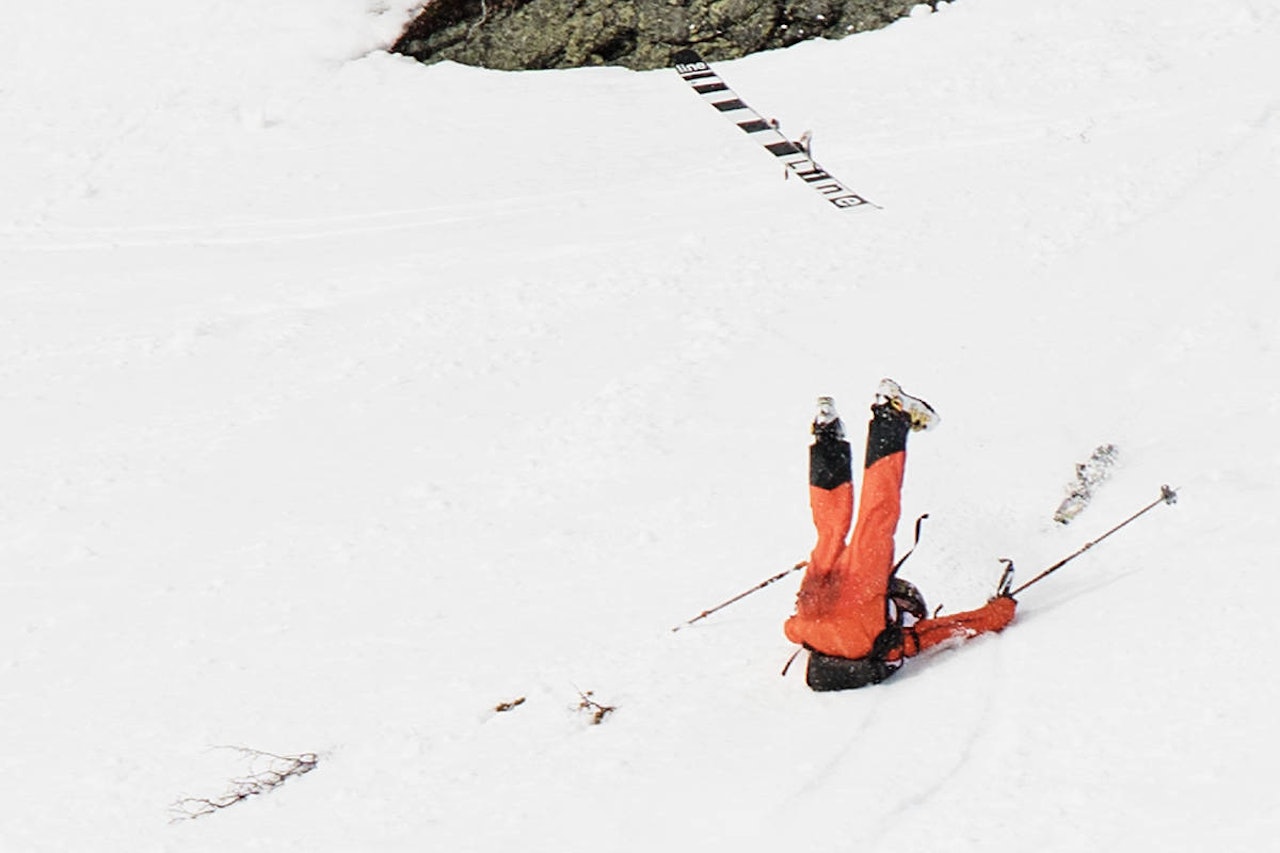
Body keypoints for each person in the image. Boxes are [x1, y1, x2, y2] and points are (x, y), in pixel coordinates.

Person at [784, 379, 1017, 691]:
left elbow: (948, 629)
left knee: (876, 516)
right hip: (812, 603)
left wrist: (998, 612)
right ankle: (828, 437)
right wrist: (1000, 612)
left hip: (848, 606)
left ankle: (888, 419)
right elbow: (790, 630)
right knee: (829, 530)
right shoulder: (810, 635)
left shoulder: (883, 641)